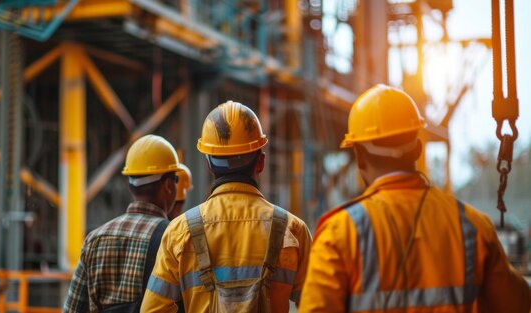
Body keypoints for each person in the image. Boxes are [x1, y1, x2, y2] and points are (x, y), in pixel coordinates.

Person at [300, 84, 531, 312]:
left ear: (359, 156)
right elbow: (518, 305)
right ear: (418, 148)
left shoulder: (339, 233)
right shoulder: (473, 226)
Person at [141, 101, 312, 312]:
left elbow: (152, 310)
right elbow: (317, 305)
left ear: (209, 164)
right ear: (260, 162)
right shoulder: (293, 230)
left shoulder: (179, 232)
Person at [64, 134, 183, 312]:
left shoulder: (94, 240)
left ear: (130, 186)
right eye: (176, 180)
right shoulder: (175, 238)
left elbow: (72, 309)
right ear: (168, 185)